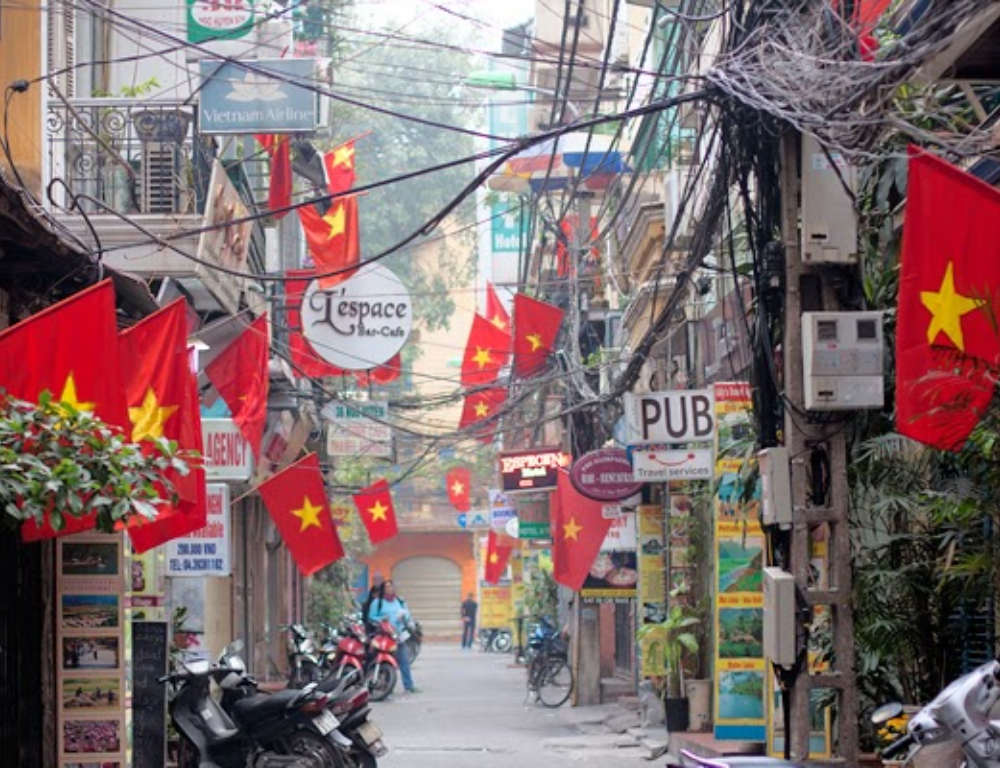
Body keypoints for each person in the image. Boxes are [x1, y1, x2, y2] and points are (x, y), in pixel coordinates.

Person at [367, 579, 419, 694]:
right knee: (383, 661)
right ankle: (385, 686)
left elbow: (407, 616)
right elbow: (371, 617)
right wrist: (381, 619)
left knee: (404, 660)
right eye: (387, 587)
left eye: (392, 586)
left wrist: (404, 619)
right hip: (384, 636)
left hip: (398, 636)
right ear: (383, 589)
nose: (390, 589)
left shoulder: (400, 601)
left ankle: (409, 686)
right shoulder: (378, 602)